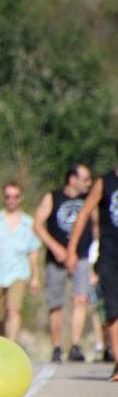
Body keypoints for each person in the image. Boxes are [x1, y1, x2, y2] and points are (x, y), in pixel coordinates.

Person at [33, 165, 95, 363]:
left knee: (81, 299)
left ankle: (75, 345)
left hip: (82, 256)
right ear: (72, 179)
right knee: (56, 303)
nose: (89, 183)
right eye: (85, 179)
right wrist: (55, 247)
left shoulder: (89, 199)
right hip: (56, 258)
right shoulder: (53, 197)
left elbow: (96, 226)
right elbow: (37, 223)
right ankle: (57, 347)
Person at [66, 156, 118, 382]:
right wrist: (71, 250)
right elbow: (84, 214)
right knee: (113, 309)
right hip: (109, 256)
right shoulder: (104, 183)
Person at [0, 181, 41, 343]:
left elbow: (34, 252)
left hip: (19, 273)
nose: (12, 200)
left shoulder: (29, 223)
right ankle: (1, 342)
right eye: (8, 196)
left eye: (16, 196)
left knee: (13, 310)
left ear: (21, 198)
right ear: (3, 197)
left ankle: (12, 344)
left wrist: (35, 277)